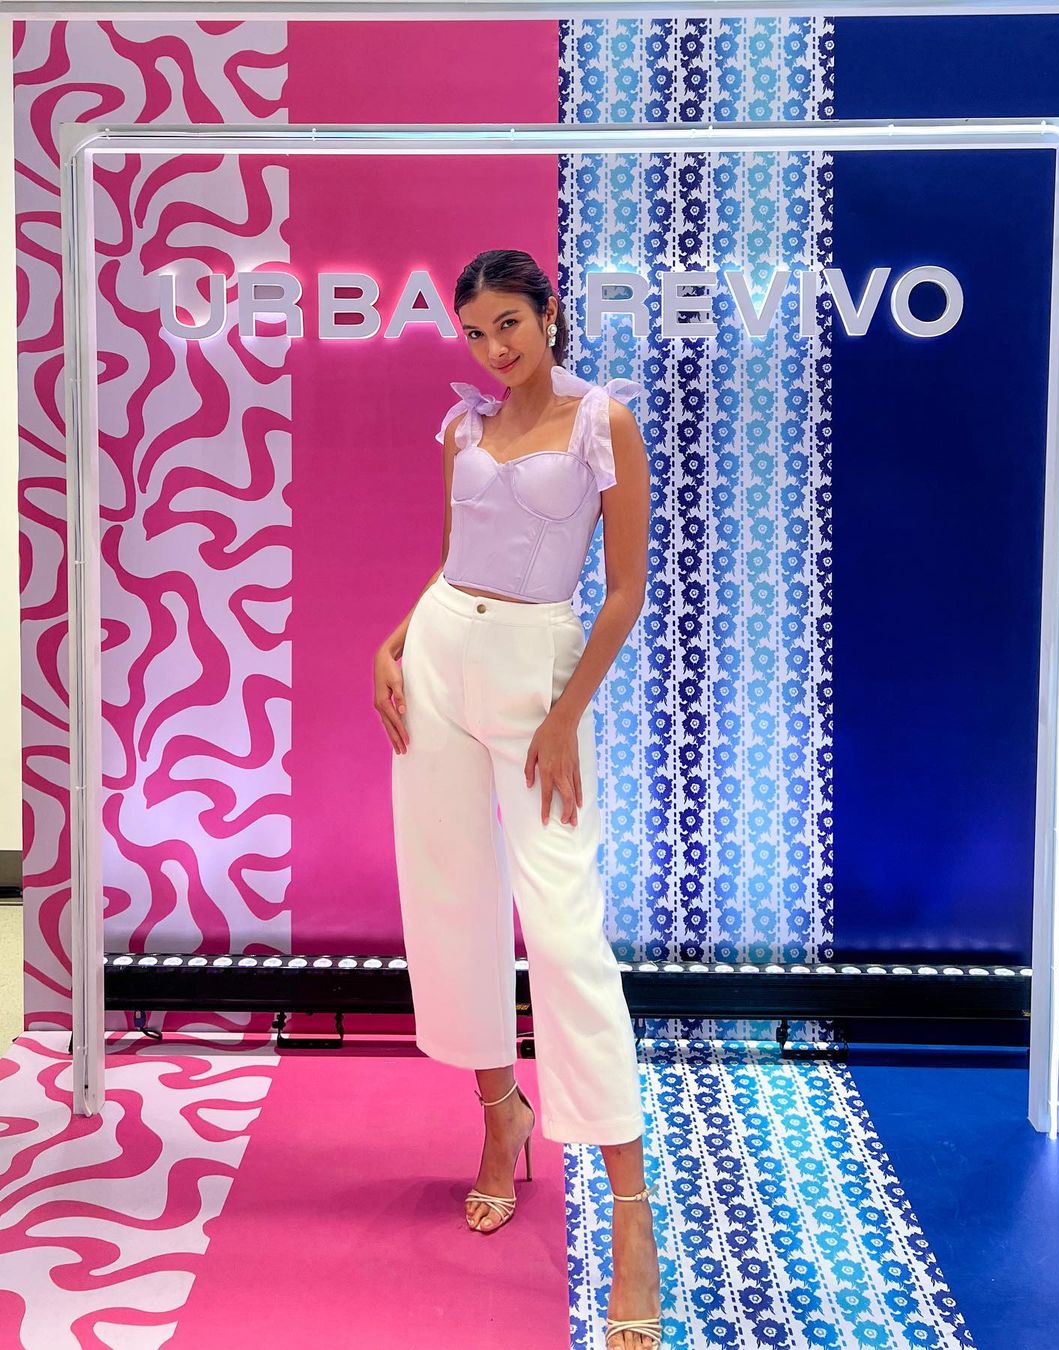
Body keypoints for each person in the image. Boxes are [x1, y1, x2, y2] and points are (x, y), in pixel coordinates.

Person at [372, 248, 662, 1349]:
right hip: (440, 659)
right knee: (450, 898)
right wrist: (396, 640)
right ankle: (502, 1117)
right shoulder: (463, 427)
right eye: (476, 332)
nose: (495, 348)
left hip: (540, 674)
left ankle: (631, 1214)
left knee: (567, 935)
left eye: (510, 323)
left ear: (550, 314)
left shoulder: (602, 424)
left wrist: (565, 713)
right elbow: (454, 561)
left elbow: (624, 589)